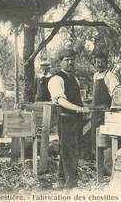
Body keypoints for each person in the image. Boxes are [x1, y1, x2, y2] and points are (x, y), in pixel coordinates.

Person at [47, 48, 89, 188]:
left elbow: (78, 100)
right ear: (60, 62)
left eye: (72, 60)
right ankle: (71, 184)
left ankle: (61, 180)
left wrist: (84, 109)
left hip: (76, 120)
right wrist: (79, 109)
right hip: (65, 119)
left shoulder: (75, 79)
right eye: (67, 60)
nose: (70, 63)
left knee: (70, 150)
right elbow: (61, 101)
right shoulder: (56, 79)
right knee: (68, 150)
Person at [90, 51, 119, 173]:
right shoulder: (95, 75)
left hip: (106, 113)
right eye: (97, 62)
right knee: (95, 140)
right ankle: (99, 169)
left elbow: (117, 96)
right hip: (96, 112)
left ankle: (109, 169)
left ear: (107, 63)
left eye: (102, 62)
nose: (100, 65)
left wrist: (111, 111)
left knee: (106, 141)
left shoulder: (111, 76)